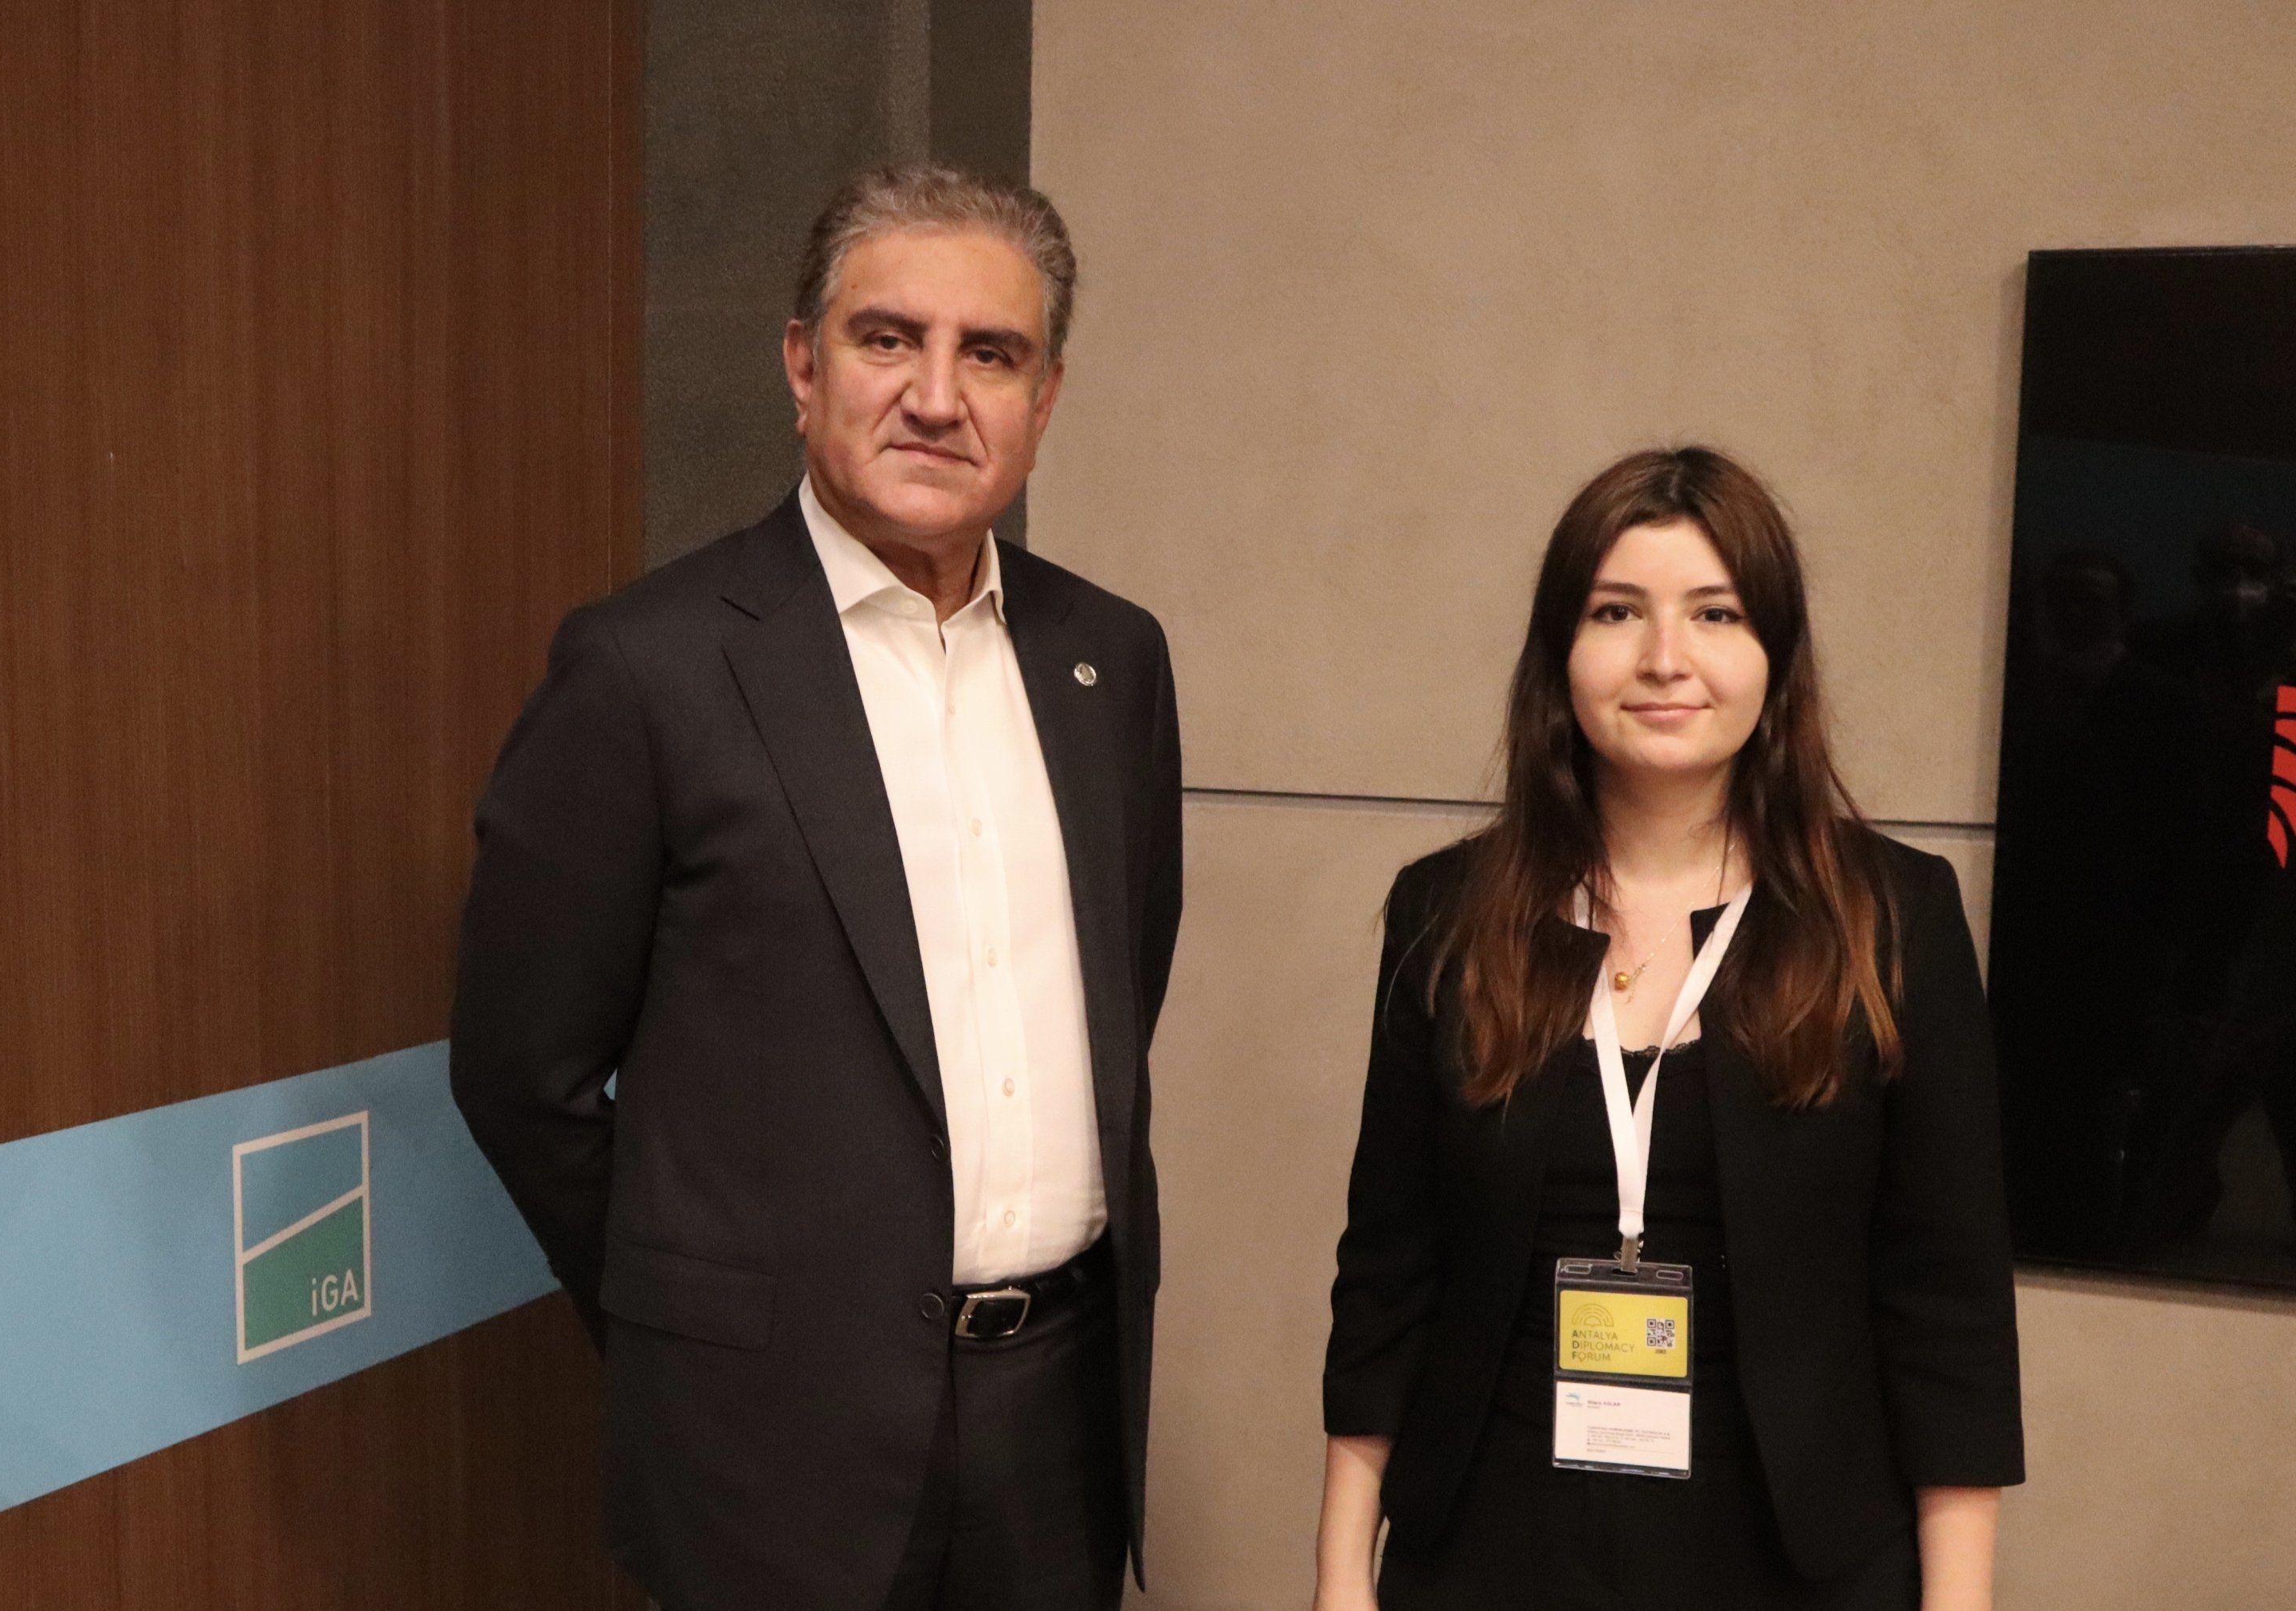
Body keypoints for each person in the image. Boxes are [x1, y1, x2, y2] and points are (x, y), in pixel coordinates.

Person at [451, 163, 1182, 1611]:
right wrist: (706, 1326)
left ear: (1044, 401)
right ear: (802, 366)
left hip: (1059, 1425)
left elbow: (1120, 1000)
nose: (936, 393)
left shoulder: (1114, 662)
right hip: (764, 1451)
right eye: (886, 337)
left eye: (993, 353)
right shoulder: (646, 667)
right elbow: (521, 1074)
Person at [1313, 448, 2023, 1610]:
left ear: (1774, 654)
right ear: (1562, 651)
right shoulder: (1447, 911)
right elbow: (1389, 1271)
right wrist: (1343, 1571)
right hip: (1491, 1544)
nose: (1664, 659)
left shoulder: (1892, 916)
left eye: (1715, 612)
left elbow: (1948, 1305)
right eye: (1616, 612)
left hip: (1798, 1554)